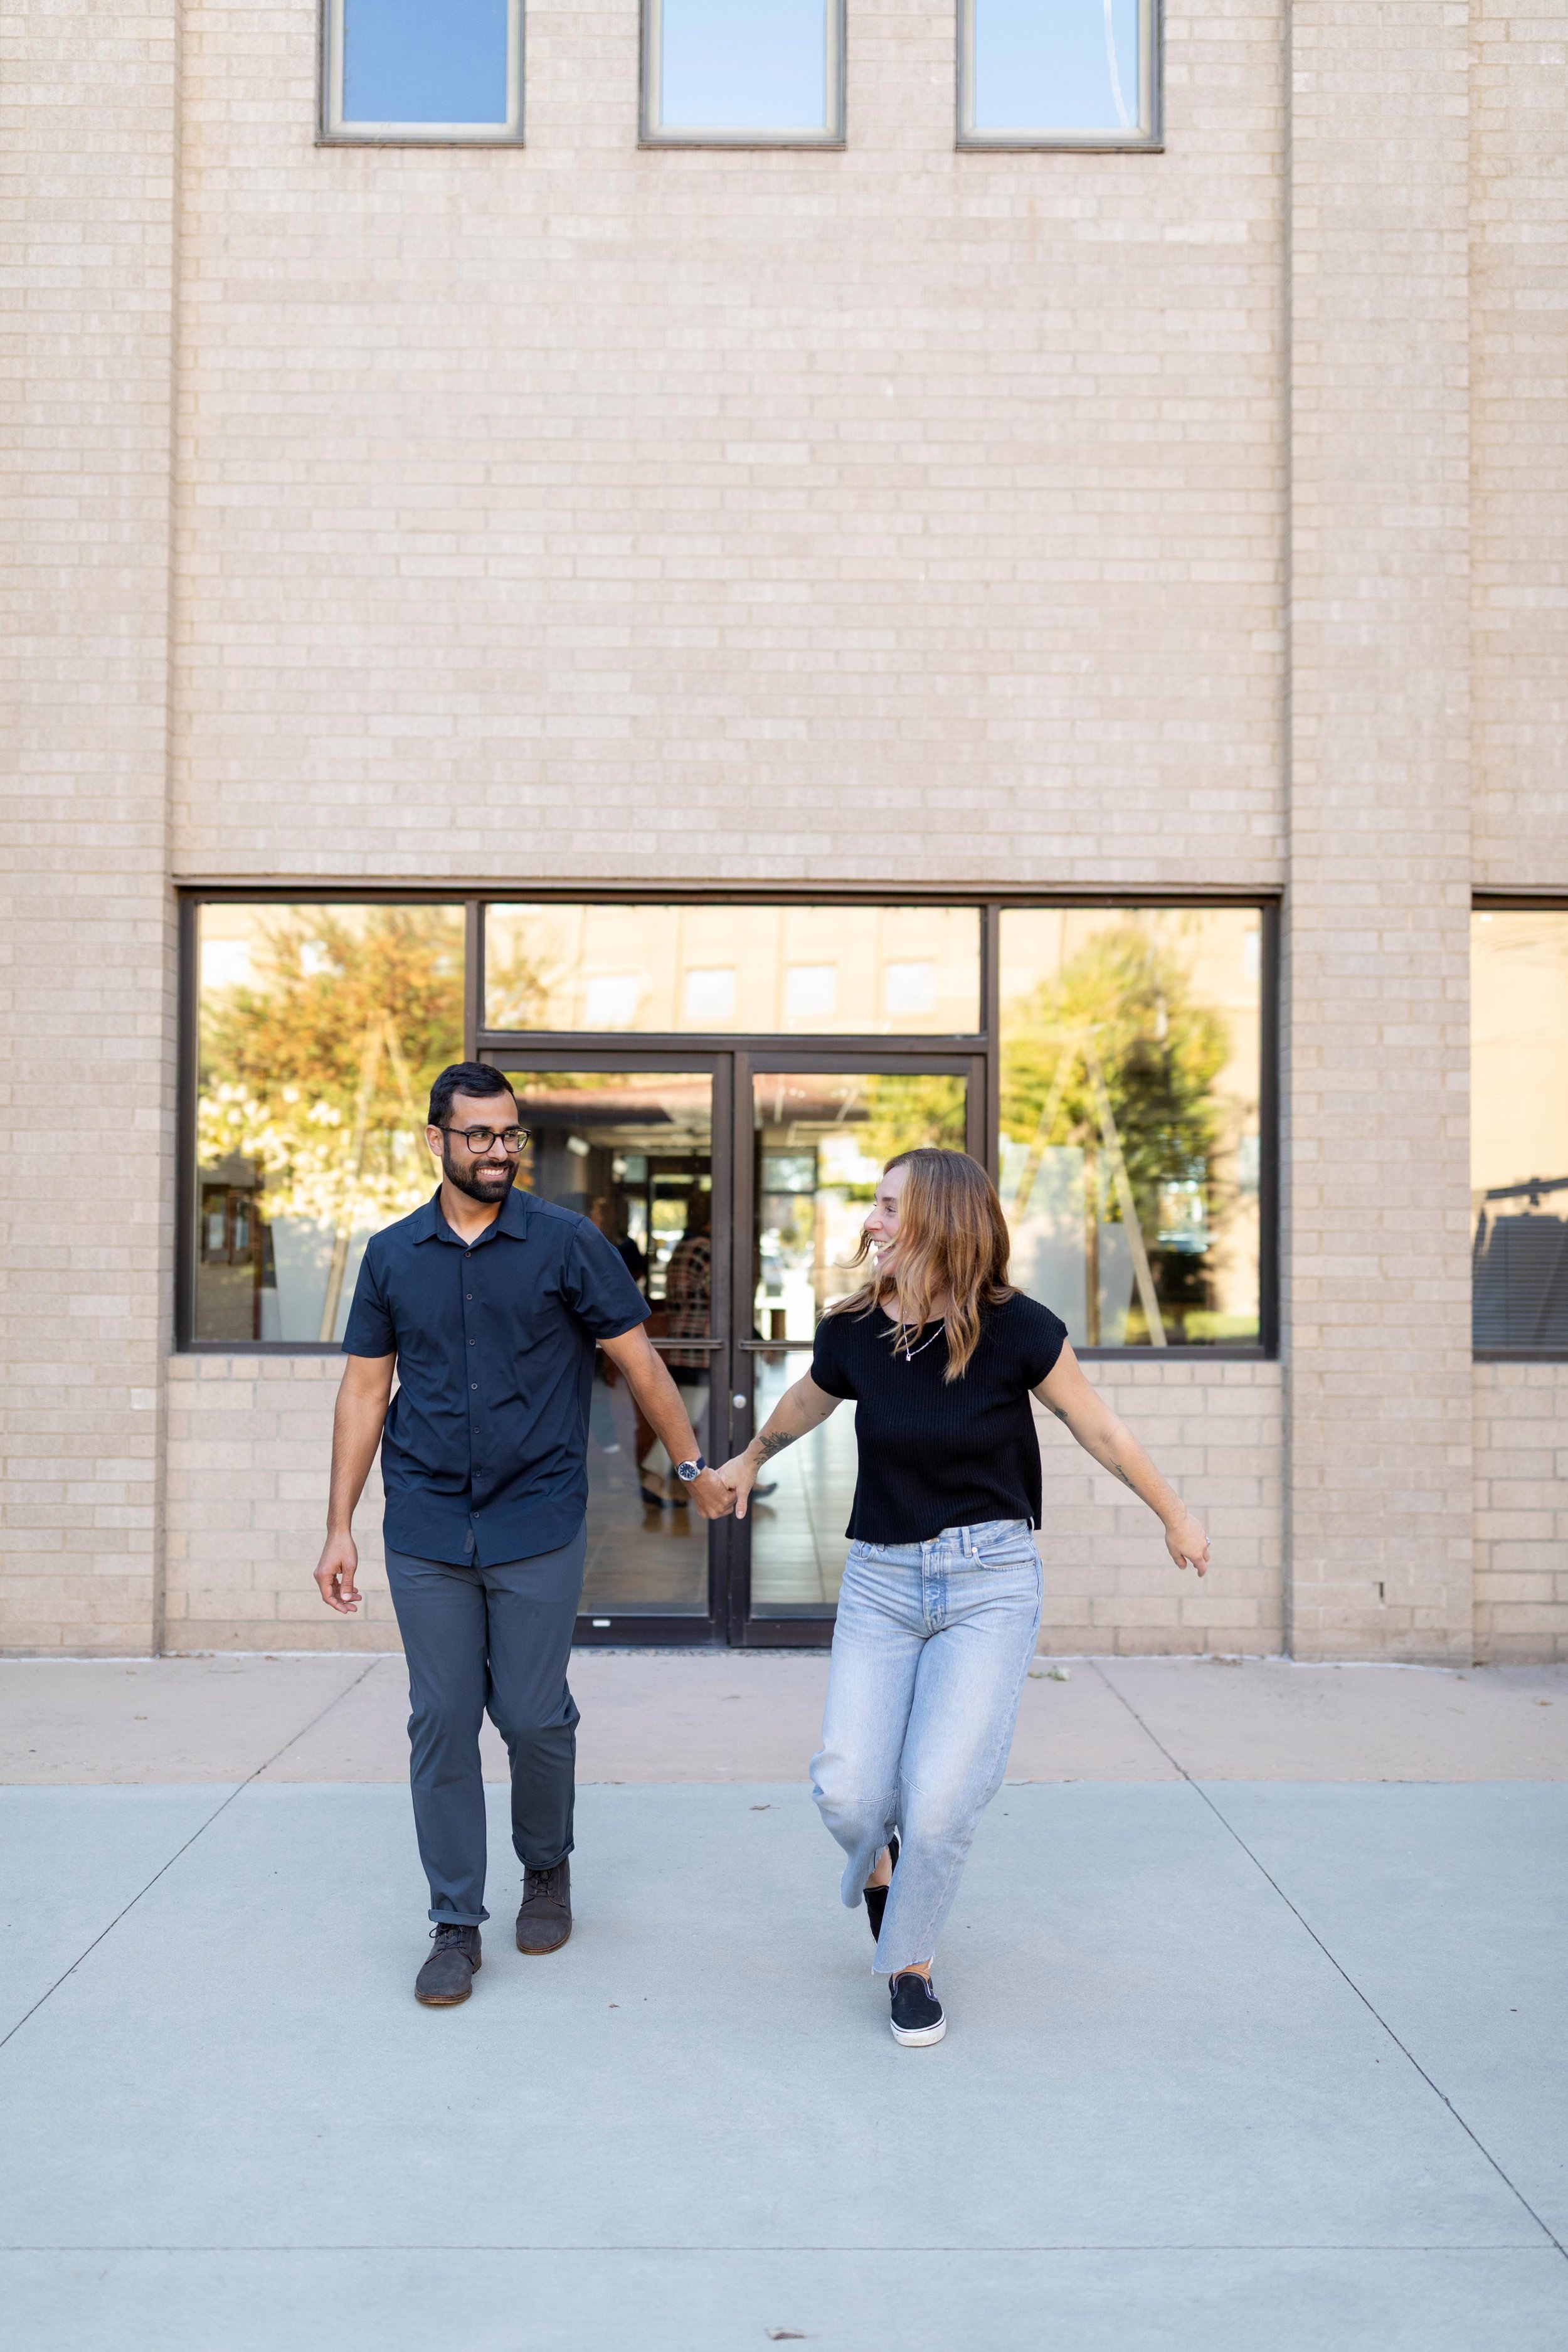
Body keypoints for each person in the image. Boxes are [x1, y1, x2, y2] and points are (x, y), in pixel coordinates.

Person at [718, 1147, 1209, 2049]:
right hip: (882, 1580)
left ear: (940, 1219)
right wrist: (749, 1458)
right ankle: (881, 1868)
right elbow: (806, 1404)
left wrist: (1174, 1514)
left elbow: (1098, 1427)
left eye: (889, 1206)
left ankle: (909, 1962)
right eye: (875, 1205)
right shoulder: (854, 1331)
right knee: (849, 1795)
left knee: (941, 1801)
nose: (871, 1221)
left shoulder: (1016, 1328)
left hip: (989, 1583)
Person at [313, 1062, 733, 2008]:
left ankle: (546, 1866)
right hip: (426, 1523)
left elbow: (642, 1362)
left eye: (509, 1134)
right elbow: (364, 1392)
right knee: (441, 1717)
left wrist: (693, 1468)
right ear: (436, 1140)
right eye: (480, 1135)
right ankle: (454, 1920)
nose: (499, 1150)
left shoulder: (567, 1243)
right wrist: (338, 1525)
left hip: (536, 1518)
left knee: (534, 1714)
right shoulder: (392, 1256)